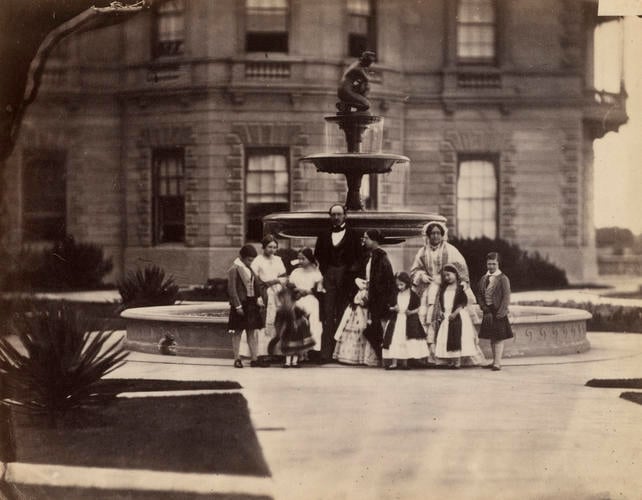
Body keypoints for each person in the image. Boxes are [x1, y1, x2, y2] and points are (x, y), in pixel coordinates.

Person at [410, 221, 470, 357]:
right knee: (424, 316)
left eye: (438, 233)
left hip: (446, 287)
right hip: (427, 286)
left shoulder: (450, 250)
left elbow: (461, 268)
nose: (435, 236)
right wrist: (422, 275)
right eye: (432, 233)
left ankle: (448, 354)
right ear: (428, 235)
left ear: (442, 235)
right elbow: (414, 270)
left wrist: (451, 279)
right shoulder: (422, 251)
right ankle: (427, 355)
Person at [314, 204, 363, 362]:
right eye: (333, 214)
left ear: (345, 216)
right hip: (329, 277)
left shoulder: (354, 235)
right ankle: (325, 353)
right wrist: (326, 273)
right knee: (327, 314)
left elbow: (359, 258)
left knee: (343, 313)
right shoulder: (323, 234)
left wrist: (351, 275)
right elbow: (318, 255)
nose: (336, 217)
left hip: (346, 278)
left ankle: (339, 353)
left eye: (339, 214)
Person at [431, 263, 483, 369]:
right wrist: (442, 312)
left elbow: (463, 302)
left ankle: (457, 361)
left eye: (449, 275)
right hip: (447, 315)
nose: (447, 278)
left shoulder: (460, 288)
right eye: (445, 276)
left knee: (457, 336)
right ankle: (451, 360)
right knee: (447, 337)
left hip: (458, 314)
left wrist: (455, 313)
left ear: (455, 274)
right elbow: (442, 302)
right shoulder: (443, 289)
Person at [227, 244, 268, 368]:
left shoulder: (249, 269)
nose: (251, 262)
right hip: (241, 304)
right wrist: (237, 306)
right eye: (249, 259)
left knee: (251, 331)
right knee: (237, 332)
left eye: (252, 260)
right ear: (242, 257)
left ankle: (254, 358)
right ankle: (237, 359)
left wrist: (259, 298)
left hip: (251, 303)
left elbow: (255, 284)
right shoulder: (234, 269)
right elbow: (232, 290)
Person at [382, 272, 430, 370]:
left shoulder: (413, 295)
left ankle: (404, 362)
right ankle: (394, 363)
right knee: (395, 340)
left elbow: (418, 307)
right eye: (398, 285)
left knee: (406, 340)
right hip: (397, 320)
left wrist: (411, 312)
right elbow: (389, 306)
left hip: (407, 320)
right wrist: (393, 308)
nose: (399, 287)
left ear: (407, 283)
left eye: (401, 284)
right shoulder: (395, 294)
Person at [251, 235, 287, 361]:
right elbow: (254, 279)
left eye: (274, 247)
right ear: (263, 247)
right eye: (269, 247)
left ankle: (278, 352)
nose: (272, 250)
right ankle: (263, 353)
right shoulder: (258, 260)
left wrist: (276, 280)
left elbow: (283, 276)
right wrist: (259, 295)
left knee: (279, 320)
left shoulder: (278, 260)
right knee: (266, 320)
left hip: (278, 291)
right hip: (264, 291)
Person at [361, 229, 396, 359]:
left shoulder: (381, 257)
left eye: (366, 238)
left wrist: (373, 298)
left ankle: (383, 356)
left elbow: (383, 282)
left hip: (379, 299)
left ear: (375, 241)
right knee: (372, 327)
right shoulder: (372, 256)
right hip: (374, 296)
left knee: (376, 328)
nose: (364, 240)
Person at [477, 252, 514, 371]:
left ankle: (497, 363)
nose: (491, 266)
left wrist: (502, 312)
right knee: (492, 337)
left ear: (498, 264)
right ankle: (494, 361)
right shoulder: (484, 278)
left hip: (498, 311)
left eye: (494, 264)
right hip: (488, 311)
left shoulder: (503, 278)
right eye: (489, 264)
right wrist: (483, 307)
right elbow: (479, 294)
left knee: (498, 338)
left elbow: (506, 296)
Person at [332, 277, 379, 366]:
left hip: (362, 312)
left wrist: (361, 302)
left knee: (361, 330)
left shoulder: (366, 293)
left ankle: (361, 358)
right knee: (351, 331)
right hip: (356, 312)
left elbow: (365, 302)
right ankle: (349, 356)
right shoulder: (360, 292)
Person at [288, 247, 324, 356]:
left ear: (309, 259)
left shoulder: (316, 273)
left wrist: (306, 291)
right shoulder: (295, 272)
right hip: (297, 299)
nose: (300, 261)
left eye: (303, 259)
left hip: (311, 299)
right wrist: (296, 292)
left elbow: (319, 291)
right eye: (299, 259)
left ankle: (311, 350)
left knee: (314, 324)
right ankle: (297, 352)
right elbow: (290, 287)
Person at [275, 286, 316, 368]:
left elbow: (303, 315)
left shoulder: (297, 308)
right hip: (287, 331)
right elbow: (278, 320)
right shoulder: (282, 310)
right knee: (288, 348)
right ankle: (287, 362)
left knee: (296, 348)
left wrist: (304, 317)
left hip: (296, 331)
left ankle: (294, 362)